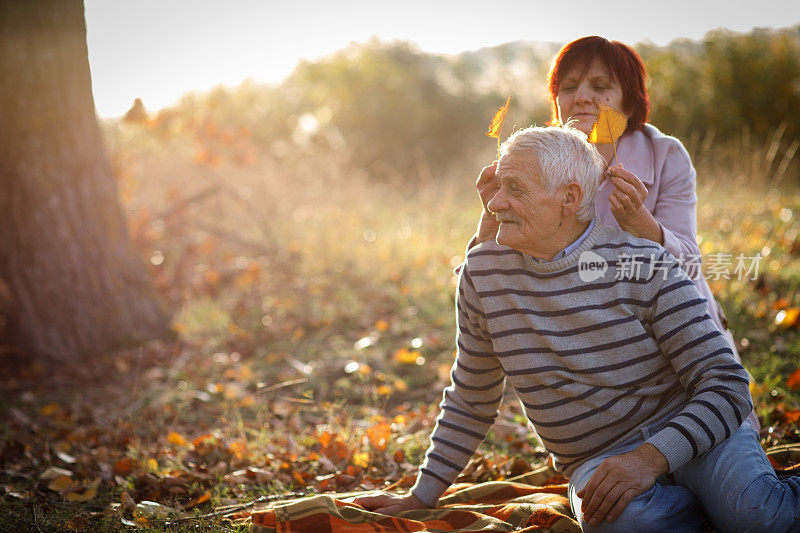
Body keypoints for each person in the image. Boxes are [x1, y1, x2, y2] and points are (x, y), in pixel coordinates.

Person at [354, 126, 800, 531]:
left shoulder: (643, 263)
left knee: (757, 515)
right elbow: (472, 395)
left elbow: (727, 385)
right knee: (626, 523)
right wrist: (421, 494)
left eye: (514, 189)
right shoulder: (482, 274)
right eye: (497, 186)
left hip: (690, 428)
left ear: (569, 198)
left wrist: (650, 459)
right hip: (598, 457)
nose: (494, 203)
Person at [469, 36, 759, 429]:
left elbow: (690, 263)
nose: (582, 97)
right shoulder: (533, 162)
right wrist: (492, 215)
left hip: (678, 338)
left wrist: (640, 225)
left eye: (601, 87)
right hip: (590, 352)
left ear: (630, 100)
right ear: (555, 100)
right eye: (568, 87)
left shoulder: (665, 155)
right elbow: (485, 279)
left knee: (712, 444)